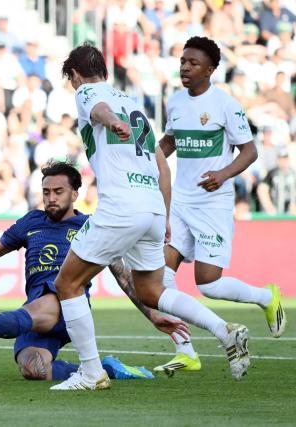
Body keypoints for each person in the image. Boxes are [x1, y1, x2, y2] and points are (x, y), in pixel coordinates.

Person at [49, 43, 250, 391]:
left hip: (121, 206)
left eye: (72, 80)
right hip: (152, 207)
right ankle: (224, 330)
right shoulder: (131, 102)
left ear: (76, 75)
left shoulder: (87, 92)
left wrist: (111, 121)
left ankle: (90, 372)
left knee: (67, 284)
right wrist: (165, 215)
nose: (74, 87)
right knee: (151, 289)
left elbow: (97, 109)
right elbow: (162, 167)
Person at [0, 161, 188, 381]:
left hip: (66, 304)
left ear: (75, 194)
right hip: (36, 310)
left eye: (58, 191)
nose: (51, 198)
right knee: (34, 369)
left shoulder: (90, 226)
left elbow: (123, 276)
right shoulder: (31, 222)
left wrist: (152, 315)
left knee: (53, 292)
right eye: (46, 192)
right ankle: (104, 368)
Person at [156, 36, 286, 374]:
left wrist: (223, 173)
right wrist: (144, 161)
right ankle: (186, 350)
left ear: (210, 70)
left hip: (212, 203)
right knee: (159, 277)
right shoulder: (176, 103)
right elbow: (169, 142)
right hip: (181, 202)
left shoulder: (225, 105)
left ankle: (266, 297)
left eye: (193, 63)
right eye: (183, 61)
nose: (185, 67)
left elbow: (250, 150)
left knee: (208, 284)